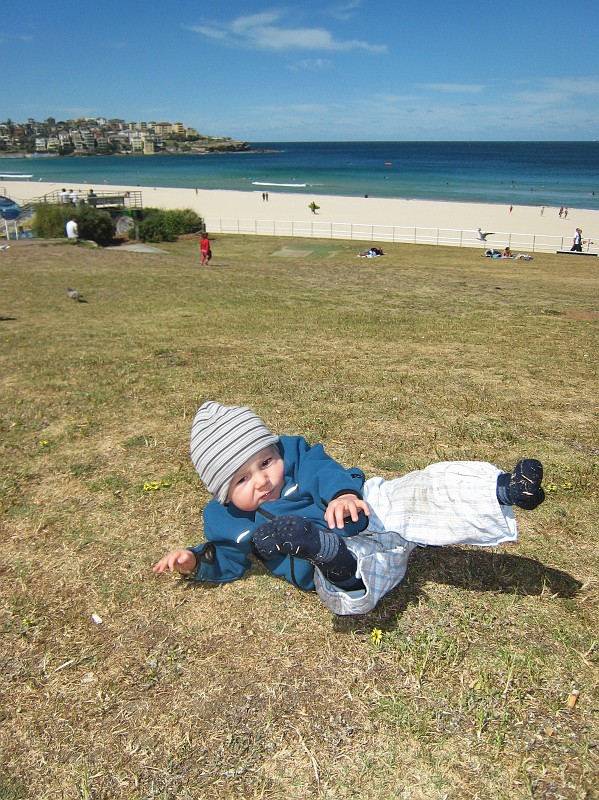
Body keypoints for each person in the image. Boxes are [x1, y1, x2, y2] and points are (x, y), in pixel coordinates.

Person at [153, 401, 545, 616]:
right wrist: (195, 562)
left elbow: (323, 470)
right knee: (345, 590)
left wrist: (342, 493)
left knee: (413, 493)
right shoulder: (224, 520)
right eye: (242, 480)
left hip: (364, 508)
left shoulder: (295, 456)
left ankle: (500, 490)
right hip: (335, 558)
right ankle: (334, 561)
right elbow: (227, 558)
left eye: (266, 462)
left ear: (275, 450)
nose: (262, 480)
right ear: (222, 493)